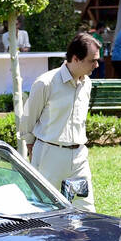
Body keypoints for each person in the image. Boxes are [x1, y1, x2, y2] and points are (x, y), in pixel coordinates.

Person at [19, 33, 102, 213]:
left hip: (79, 157)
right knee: (46, 210)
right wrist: (31, 144)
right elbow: (28, 118)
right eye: (92, 61)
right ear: (75, 58)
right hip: (49, 155)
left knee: (86, 211)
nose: (97, 65)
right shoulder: (45, 83)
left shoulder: (87, 83)